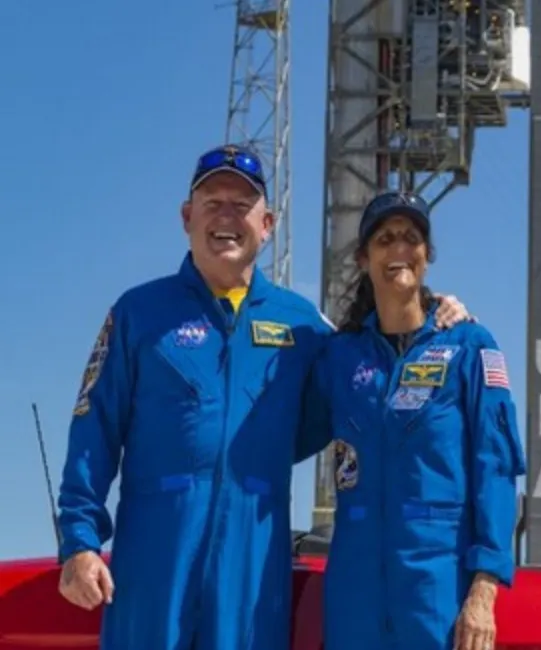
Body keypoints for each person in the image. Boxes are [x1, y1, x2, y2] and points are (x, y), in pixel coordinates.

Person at [54, 144, 472, 650]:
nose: (226, 217)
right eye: (213, 203)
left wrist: (436, 314)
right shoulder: (139, 314)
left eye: (242, 205)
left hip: (252, 561)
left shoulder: (304, 326)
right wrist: (79, 542)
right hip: (153, 555)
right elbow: (92, 428)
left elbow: (376, 363)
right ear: (187, 217)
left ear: (268, 223)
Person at [296, 190, 527, 650]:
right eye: (385, 239)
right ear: (364, 257)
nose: (399, 249)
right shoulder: (339, 357)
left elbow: (496, 472)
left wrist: (483, 591)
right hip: (354, 590)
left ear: (427, 255)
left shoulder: (469, 346)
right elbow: (285, 433)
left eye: (411, 238)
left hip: (438, 587)